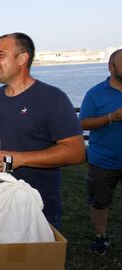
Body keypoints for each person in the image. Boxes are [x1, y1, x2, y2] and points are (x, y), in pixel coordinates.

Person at [0, 33, 85, 228]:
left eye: (0, 55)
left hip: (36, 209)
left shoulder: (52, 98)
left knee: (34, 260)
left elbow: (76, 151)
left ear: (22, 59)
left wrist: (19, 159)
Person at [79, 49, 122, 255]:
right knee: (99, 201)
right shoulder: (95, 93)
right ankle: (101, 237)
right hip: (104, 161)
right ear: (111, 67)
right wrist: (111, 117)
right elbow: (83, 123)